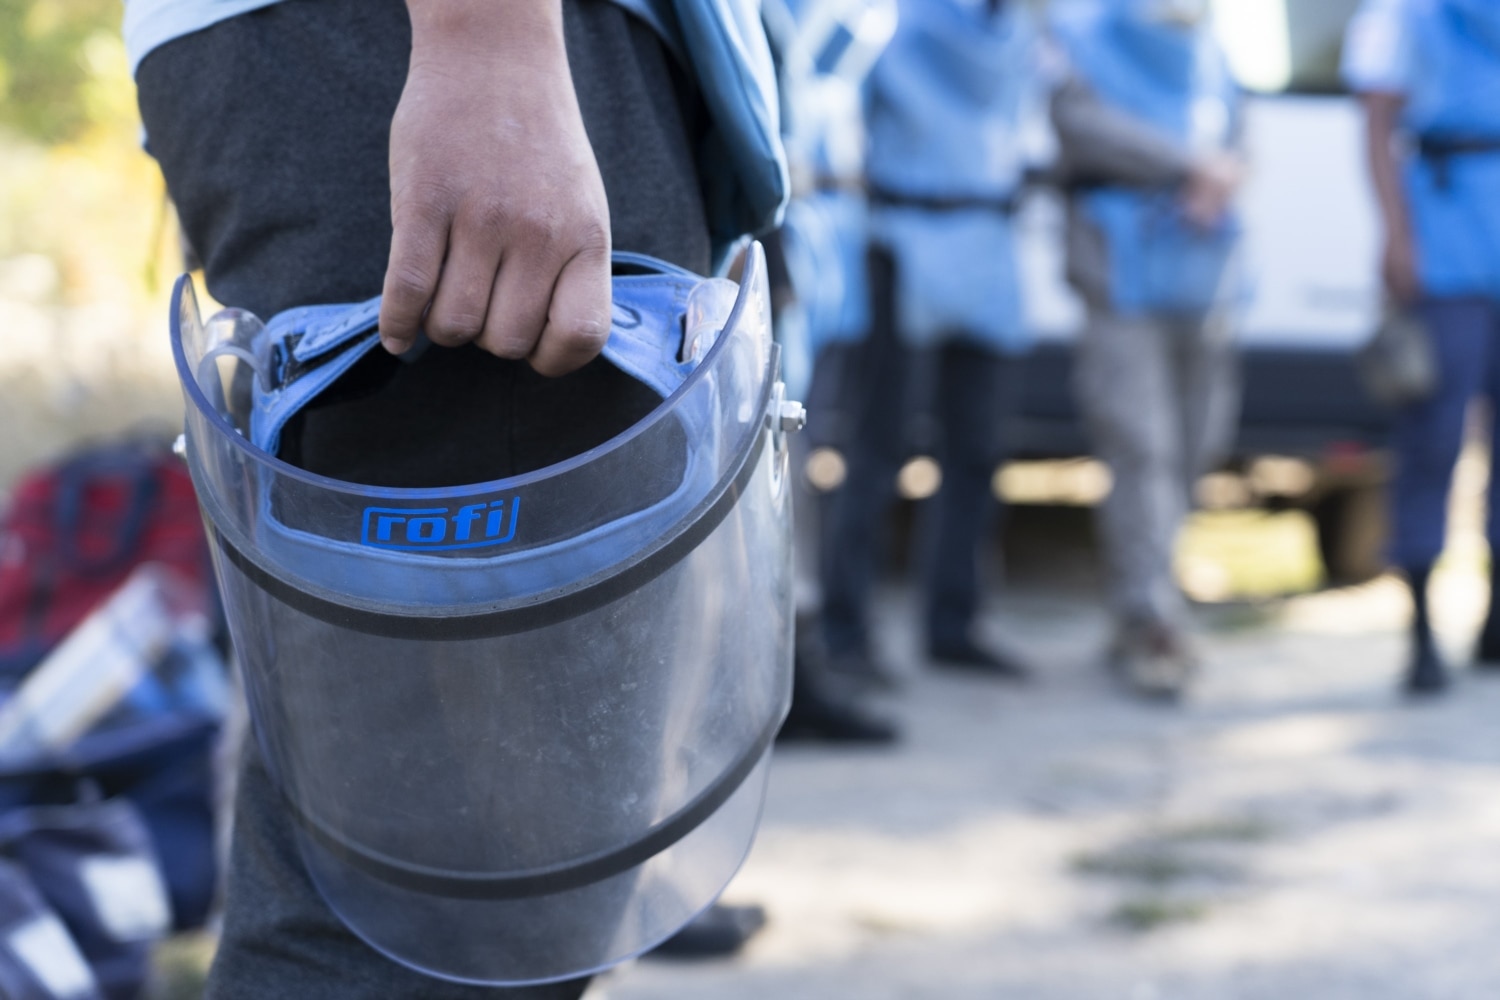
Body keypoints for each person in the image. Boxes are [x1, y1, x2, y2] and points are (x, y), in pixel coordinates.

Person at [125, 0, 787, 995]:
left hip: (441, 50)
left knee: (506, 895)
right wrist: (488, 49)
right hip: (436, 42)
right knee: (440, 917)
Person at [817, 0, 1043, 687]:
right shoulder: (892, 23)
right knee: (878, 447)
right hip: (903, 242)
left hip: (988, 245)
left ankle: (955, 624)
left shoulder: (1019, 29)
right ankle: (844, 632)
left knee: (977, 449)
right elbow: (829, 103)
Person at [1048, 0, 1245, 700]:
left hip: (1202, 271)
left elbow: (1237, 130)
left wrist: (1223, 175)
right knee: (1141, 443)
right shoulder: (1079, 34)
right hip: (1118, 268)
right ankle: (1149, 617)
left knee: (1197, 441)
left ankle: (1153, 592)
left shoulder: (1210, 42)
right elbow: (1077, 126)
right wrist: (1189, 164)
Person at [1344, 0, 1500, 695]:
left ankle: (1493, 622)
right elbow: (1377, 121)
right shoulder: (1409, 15)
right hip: (1444, 244)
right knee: (1433, 437)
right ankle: (1420, 629)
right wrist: (1396, 235)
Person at [764, 0, 901, 743]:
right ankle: (778, 679)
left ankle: (801, 665)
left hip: (828, 255)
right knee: (773, 472)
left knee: (807, 466)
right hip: (777, 241)